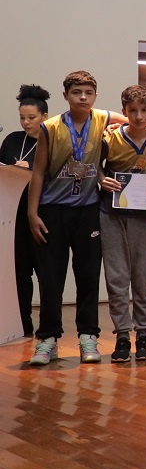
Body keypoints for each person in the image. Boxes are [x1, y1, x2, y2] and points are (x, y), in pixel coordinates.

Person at [27, 71, 146, 365]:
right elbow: (39, 171)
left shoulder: (101, 119)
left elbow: (141, 118)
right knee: (51, 278)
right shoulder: (50, 127)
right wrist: (32, 212)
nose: (82, 97)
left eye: (88, 93)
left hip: (88, 210)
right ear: (65, 95)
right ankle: (47, 339)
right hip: (53, 210)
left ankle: (88, 336)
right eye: (76, 92)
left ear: (95, 96)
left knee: (88, 277)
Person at [98, 85, 146, 362]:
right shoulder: (109, 138)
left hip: (143, 214)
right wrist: (101, 178)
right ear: (123, 112)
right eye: (132, 111)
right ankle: (123, 335)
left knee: (141, 276)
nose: (138, 116)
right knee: (116, 276)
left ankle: (145, 333)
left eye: (143, 111)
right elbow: (95, 166)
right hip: (111, 213)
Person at [0, 84, 50, 337]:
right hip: (14, 217)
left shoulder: (51, 141)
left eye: (31, 118)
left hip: (42, 215)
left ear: (45, 117)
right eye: (22, 117)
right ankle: (23, 324)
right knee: (19, 274)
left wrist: (28, 171)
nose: (26, 123)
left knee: (45, 272)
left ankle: (48, 326)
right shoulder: (11, 140)